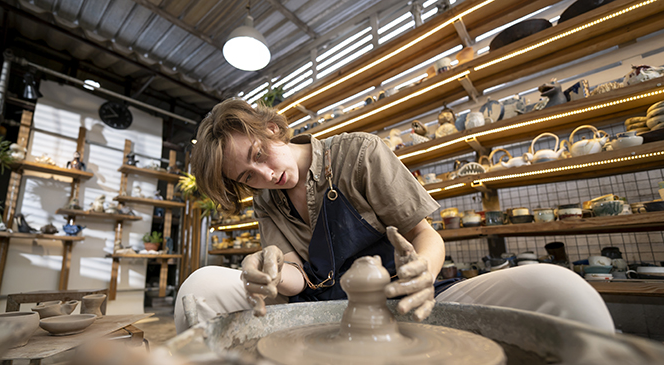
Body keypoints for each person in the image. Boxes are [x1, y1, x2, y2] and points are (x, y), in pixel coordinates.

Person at [174, 98, 614, 334]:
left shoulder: (357, 154)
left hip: (410, 299)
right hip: (324, 313)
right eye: (248, 176)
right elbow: (296, 277)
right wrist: (267, 276)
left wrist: (422, 276)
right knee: (200, 289)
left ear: (271, 128)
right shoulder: (267, 199)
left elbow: (427, 236)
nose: (267, 175)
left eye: (259, 155)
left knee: (558, 288)